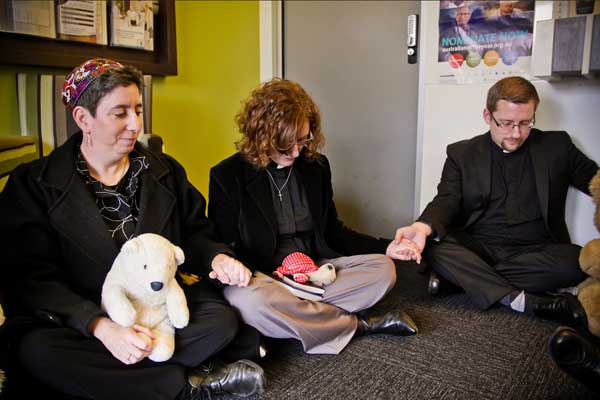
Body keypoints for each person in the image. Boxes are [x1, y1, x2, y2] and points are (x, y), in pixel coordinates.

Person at [0, 59, 266, 400]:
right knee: (38, 350)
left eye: (138, 110)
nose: (135, 125)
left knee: (221, 321)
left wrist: (216, 258)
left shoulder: (165, 171)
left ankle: (114, 382)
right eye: (120, 113)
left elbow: (195, 234)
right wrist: (102, 327)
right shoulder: (33, 184)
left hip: (155, 309)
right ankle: (186, 388)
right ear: (84, 119)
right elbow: (30, 279)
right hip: (81, 317)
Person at [207, 78, 418, 356]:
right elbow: (222, 244)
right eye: (285, 145)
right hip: (266, 278)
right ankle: (360, 324)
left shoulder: (316, 167)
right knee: (249, 303)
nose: (296, 152)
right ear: (262, 136)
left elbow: (334, 233)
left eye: (302, 139)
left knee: (383, 270)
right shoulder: (227, 175)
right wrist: (233, 269)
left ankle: (289, 320)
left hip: (316, 273)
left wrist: (386, 247)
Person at [394, 76, 598, 328]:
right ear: (487, 116)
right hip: (478, 246)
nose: (516, 133)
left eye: (525, 123)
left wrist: (469, 273)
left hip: (535, 250)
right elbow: (447, 198)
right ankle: (520, 300)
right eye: (506, 123)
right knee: (435, 246)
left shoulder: (558, 146)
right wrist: (421, 228)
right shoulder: (462, 154)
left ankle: (463, 280)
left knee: (577, 261)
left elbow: (595, 181)